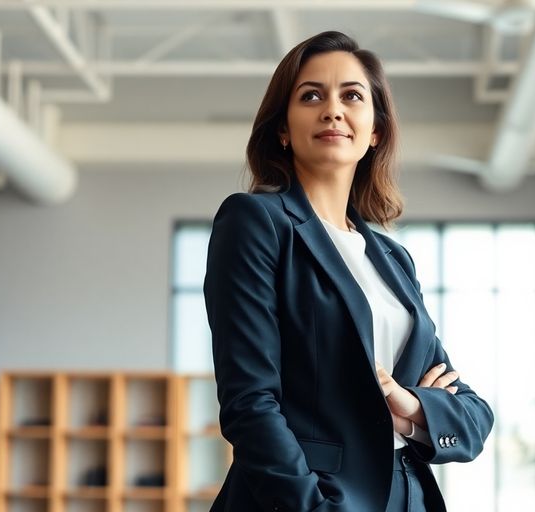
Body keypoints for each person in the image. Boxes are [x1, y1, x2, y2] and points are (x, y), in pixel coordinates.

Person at [203, 30, 494, 512]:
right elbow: (250, 404)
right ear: (283, 128)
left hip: (409, 497)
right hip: (307, 501)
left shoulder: (392, 259)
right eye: (311, 95)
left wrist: (412, 410)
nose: (332, 109)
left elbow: (473, 417)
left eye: (352, 96)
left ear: (375, 129)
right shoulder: (257, 223)